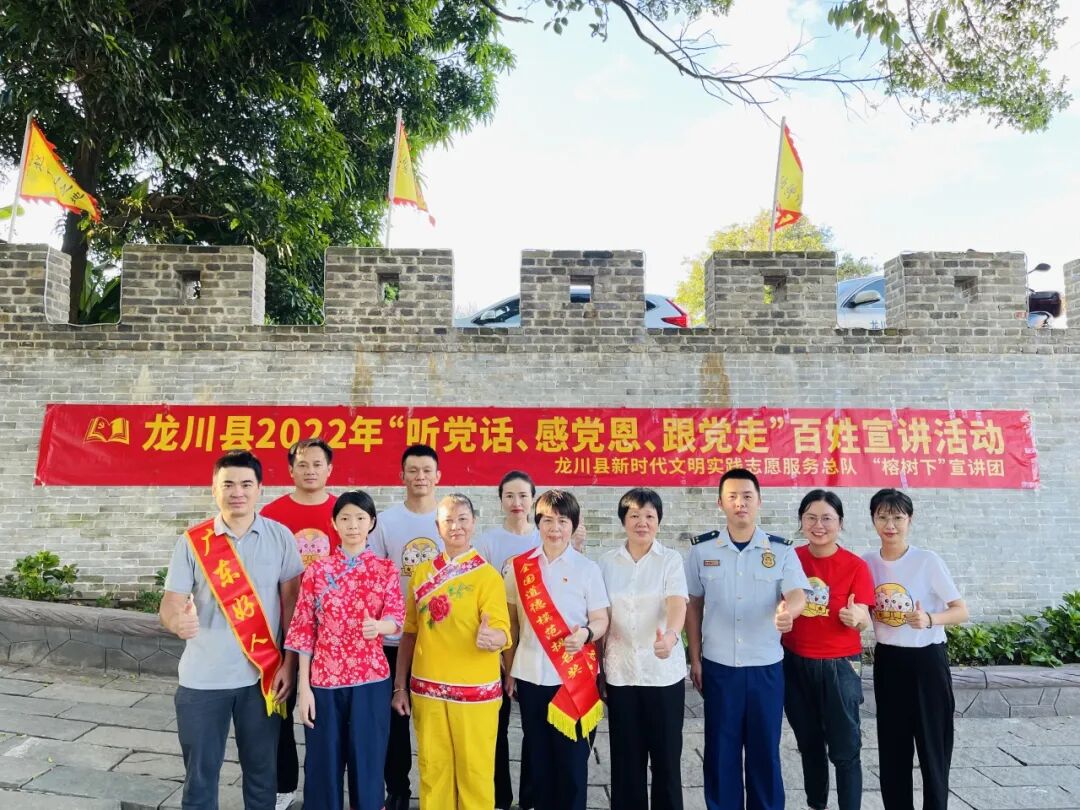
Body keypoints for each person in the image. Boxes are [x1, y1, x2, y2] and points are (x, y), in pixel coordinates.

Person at [160, 450, 305, 810]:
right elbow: (170, 604)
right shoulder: (193, 542)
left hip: (262, 679)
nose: (237, 492)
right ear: (214, 489)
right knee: (199, 778)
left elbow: (293, 607)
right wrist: (177, 621)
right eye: (228, 484)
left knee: (262, 777)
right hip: (202, 681)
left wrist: (289, 664)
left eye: (245, 484)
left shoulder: (280, 537)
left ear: (259, 489)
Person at [684, 468, 809, 810]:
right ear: (720, 503)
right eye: (732, 497)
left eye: (747, 496)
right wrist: (694, 658)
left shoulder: (780, 550)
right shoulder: (701, 550)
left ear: (759, 501)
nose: (740, 503)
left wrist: (789, 612)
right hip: (719, 667)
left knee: (764, 751)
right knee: (720, 750)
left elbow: (797, 594)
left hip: (765, 668)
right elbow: (693, 606)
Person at [391, 494, 512, 810]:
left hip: (475, 692)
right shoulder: (421, 574)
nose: (455, 526)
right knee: (433, 770)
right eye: (448, 520)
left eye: (462, 519)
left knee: (475, 772)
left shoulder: (488, 576)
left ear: (473, 523)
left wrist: (494, 637)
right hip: (427, 688)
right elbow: (410, 632)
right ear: (437, 526)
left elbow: (502, 630)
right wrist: (400, 686)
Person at [285, 490, 403, 810]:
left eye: (360, 518)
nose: (353, 525)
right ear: (334, 523)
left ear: (372, 522)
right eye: (345, 518)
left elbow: (397, 618)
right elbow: (303, 630)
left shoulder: (385, 569)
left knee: (368, 761)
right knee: (322, 763)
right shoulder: (317, 571)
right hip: (324, 681)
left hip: (371, 680)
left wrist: (380, 627)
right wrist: (304, 689)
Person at [864, 488, 969, 810]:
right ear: (873, 520)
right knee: (892, 749)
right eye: (883, 517)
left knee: (932, 747)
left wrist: (930, 618)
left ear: (910, 520)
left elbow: (961, 611)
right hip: (888, 661)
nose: (890, 525)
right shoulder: (866, 563)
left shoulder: (927, 561)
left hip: (927, 662)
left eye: (897, 517)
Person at [504, 490, 609, 810]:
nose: (555, 528)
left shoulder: (587, 569)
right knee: (538, 760)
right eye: (547, 520)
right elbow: (512, 624)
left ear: (573, 525)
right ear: (537, 523)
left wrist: (587, 634)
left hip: (572, 678)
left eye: (562, 521)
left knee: (572, 763)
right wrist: (509, 671)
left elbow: (601, 619)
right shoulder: (519, 567)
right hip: (531, 676)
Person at [782, 490, 875, 810]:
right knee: (809, 744)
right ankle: (816, 804)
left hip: (840, 665)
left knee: (845, 748)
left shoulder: (855, 565)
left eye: (826, 518)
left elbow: (863, 615)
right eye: (811, 518)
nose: (818, 525)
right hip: (795, 662)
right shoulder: (789, 559)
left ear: (840, 523)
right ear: (801, 521)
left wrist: (857, 618)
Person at [261, 438, 340, 810]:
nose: (310, 471)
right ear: (290, 469)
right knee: (279, 707)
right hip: (279, 626)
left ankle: (323, 787)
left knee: (321, 714)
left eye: (317, 464)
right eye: (302, 464)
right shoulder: (272, 514)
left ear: (330, 469)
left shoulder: (344, 511)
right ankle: (283, 784)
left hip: (330, 631)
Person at [598, 488, 688, 810]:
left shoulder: (670, 560)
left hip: (662, 673)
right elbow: (600, 614)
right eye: (634, 515)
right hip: (621, 673)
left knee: (666, 760)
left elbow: (677, 602)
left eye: (649, 515)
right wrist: (598, 668)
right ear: (623, 520)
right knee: (626, 761)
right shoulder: (606, 563)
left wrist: (672, 636)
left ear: (659, 521)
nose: (642, 522)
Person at [367, 444, 443, 810]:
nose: (420, 477)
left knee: (433, 717)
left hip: (437, 638)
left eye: (427, 470)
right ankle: (397, 787)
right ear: (402, 476)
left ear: (438, 476)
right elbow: (373, 575)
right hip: (392, 636)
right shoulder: (386, 522)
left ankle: (437, 790)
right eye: (413, 470)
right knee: (393, 719)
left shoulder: (448, 520)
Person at [474, 470, 541, 810]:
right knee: (496, 727)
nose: (517, 502)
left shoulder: (543, 538)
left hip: (535, 648)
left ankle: (531, 797)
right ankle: (499, 796)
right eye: (509, 496)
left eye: (523, 496)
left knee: (534, 727)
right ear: (500, 500)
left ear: (533, 500)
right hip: (495, 647)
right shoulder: (487, 542)